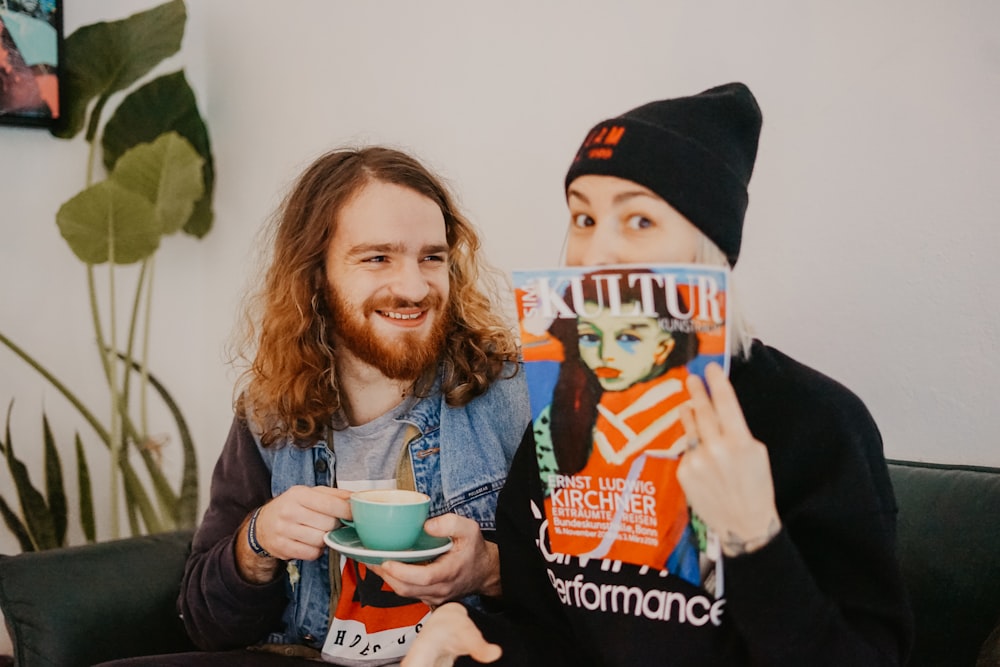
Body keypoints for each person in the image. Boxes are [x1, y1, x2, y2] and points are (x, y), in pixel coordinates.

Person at [402, 82, 914, 666]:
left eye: (639, 220)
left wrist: (752, 537)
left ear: (707, 242)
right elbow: (552, 634)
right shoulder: (562, 412)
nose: (595, 254)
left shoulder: (813, 423)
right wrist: (466, 639)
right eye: (584, 218)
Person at [97, 146, 529, 666]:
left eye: (431, 257)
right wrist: (256, 544)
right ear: (316, 275)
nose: (414, 287)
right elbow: (205, 623)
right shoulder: (270, 410)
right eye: (378, 258)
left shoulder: (513, 396)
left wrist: (489, 569)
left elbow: (598, 603)